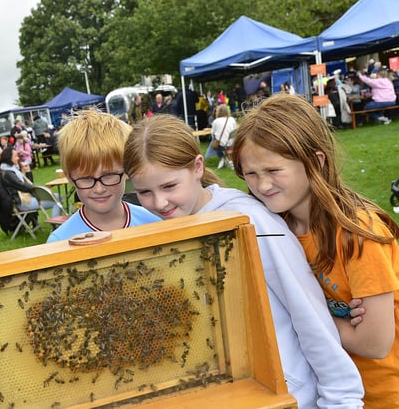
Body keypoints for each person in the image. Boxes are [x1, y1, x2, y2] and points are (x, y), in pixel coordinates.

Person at [122, 113, 364, 409]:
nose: (159, 203)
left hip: (289, 398)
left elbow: (309, 316)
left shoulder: (251, 221)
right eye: (144, 192)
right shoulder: (167, 229)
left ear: (198, 167)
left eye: (170, 186)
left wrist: (342, 400)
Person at [231, 94, 399, 408]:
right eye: (250, 174)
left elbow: (375, 342)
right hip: (322, 392)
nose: (262, 185)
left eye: (274, 170)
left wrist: (307, 316)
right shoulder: (273, 230)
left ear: (316, 161)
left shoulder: (358, 233)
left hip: (382, 396)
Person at [47, 111, 159, 242]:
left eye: (109, 175)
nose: (99, 189)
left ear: (127, 170)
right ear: (70, 178)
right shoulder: (60, 241)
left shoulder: (154, 223)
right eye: (86, 178)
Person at [0, 147, 61, 218]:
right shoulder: (8, 173)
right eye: (15, 156)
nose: (18, 158)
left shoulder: (12, 170)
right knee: (57, 200)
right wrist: (41, 188)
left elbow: (28, 184)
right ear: (9, 158)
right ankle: (56, 226)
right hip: (22, 203)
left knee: (58, 197)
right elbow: (23, 187)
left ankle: (56, 223)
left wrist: (28, 171)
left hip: (26, 198)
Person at [204, 104, 237, 169]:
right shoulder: (232, 119)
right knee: (219, 139)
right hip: (231, 144)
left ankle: (221, 158)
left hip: (221, 146)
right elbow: (234, 131)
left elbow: (212, 133)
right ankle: (227, 160)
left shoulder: (216, 121)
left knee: (214, 139)